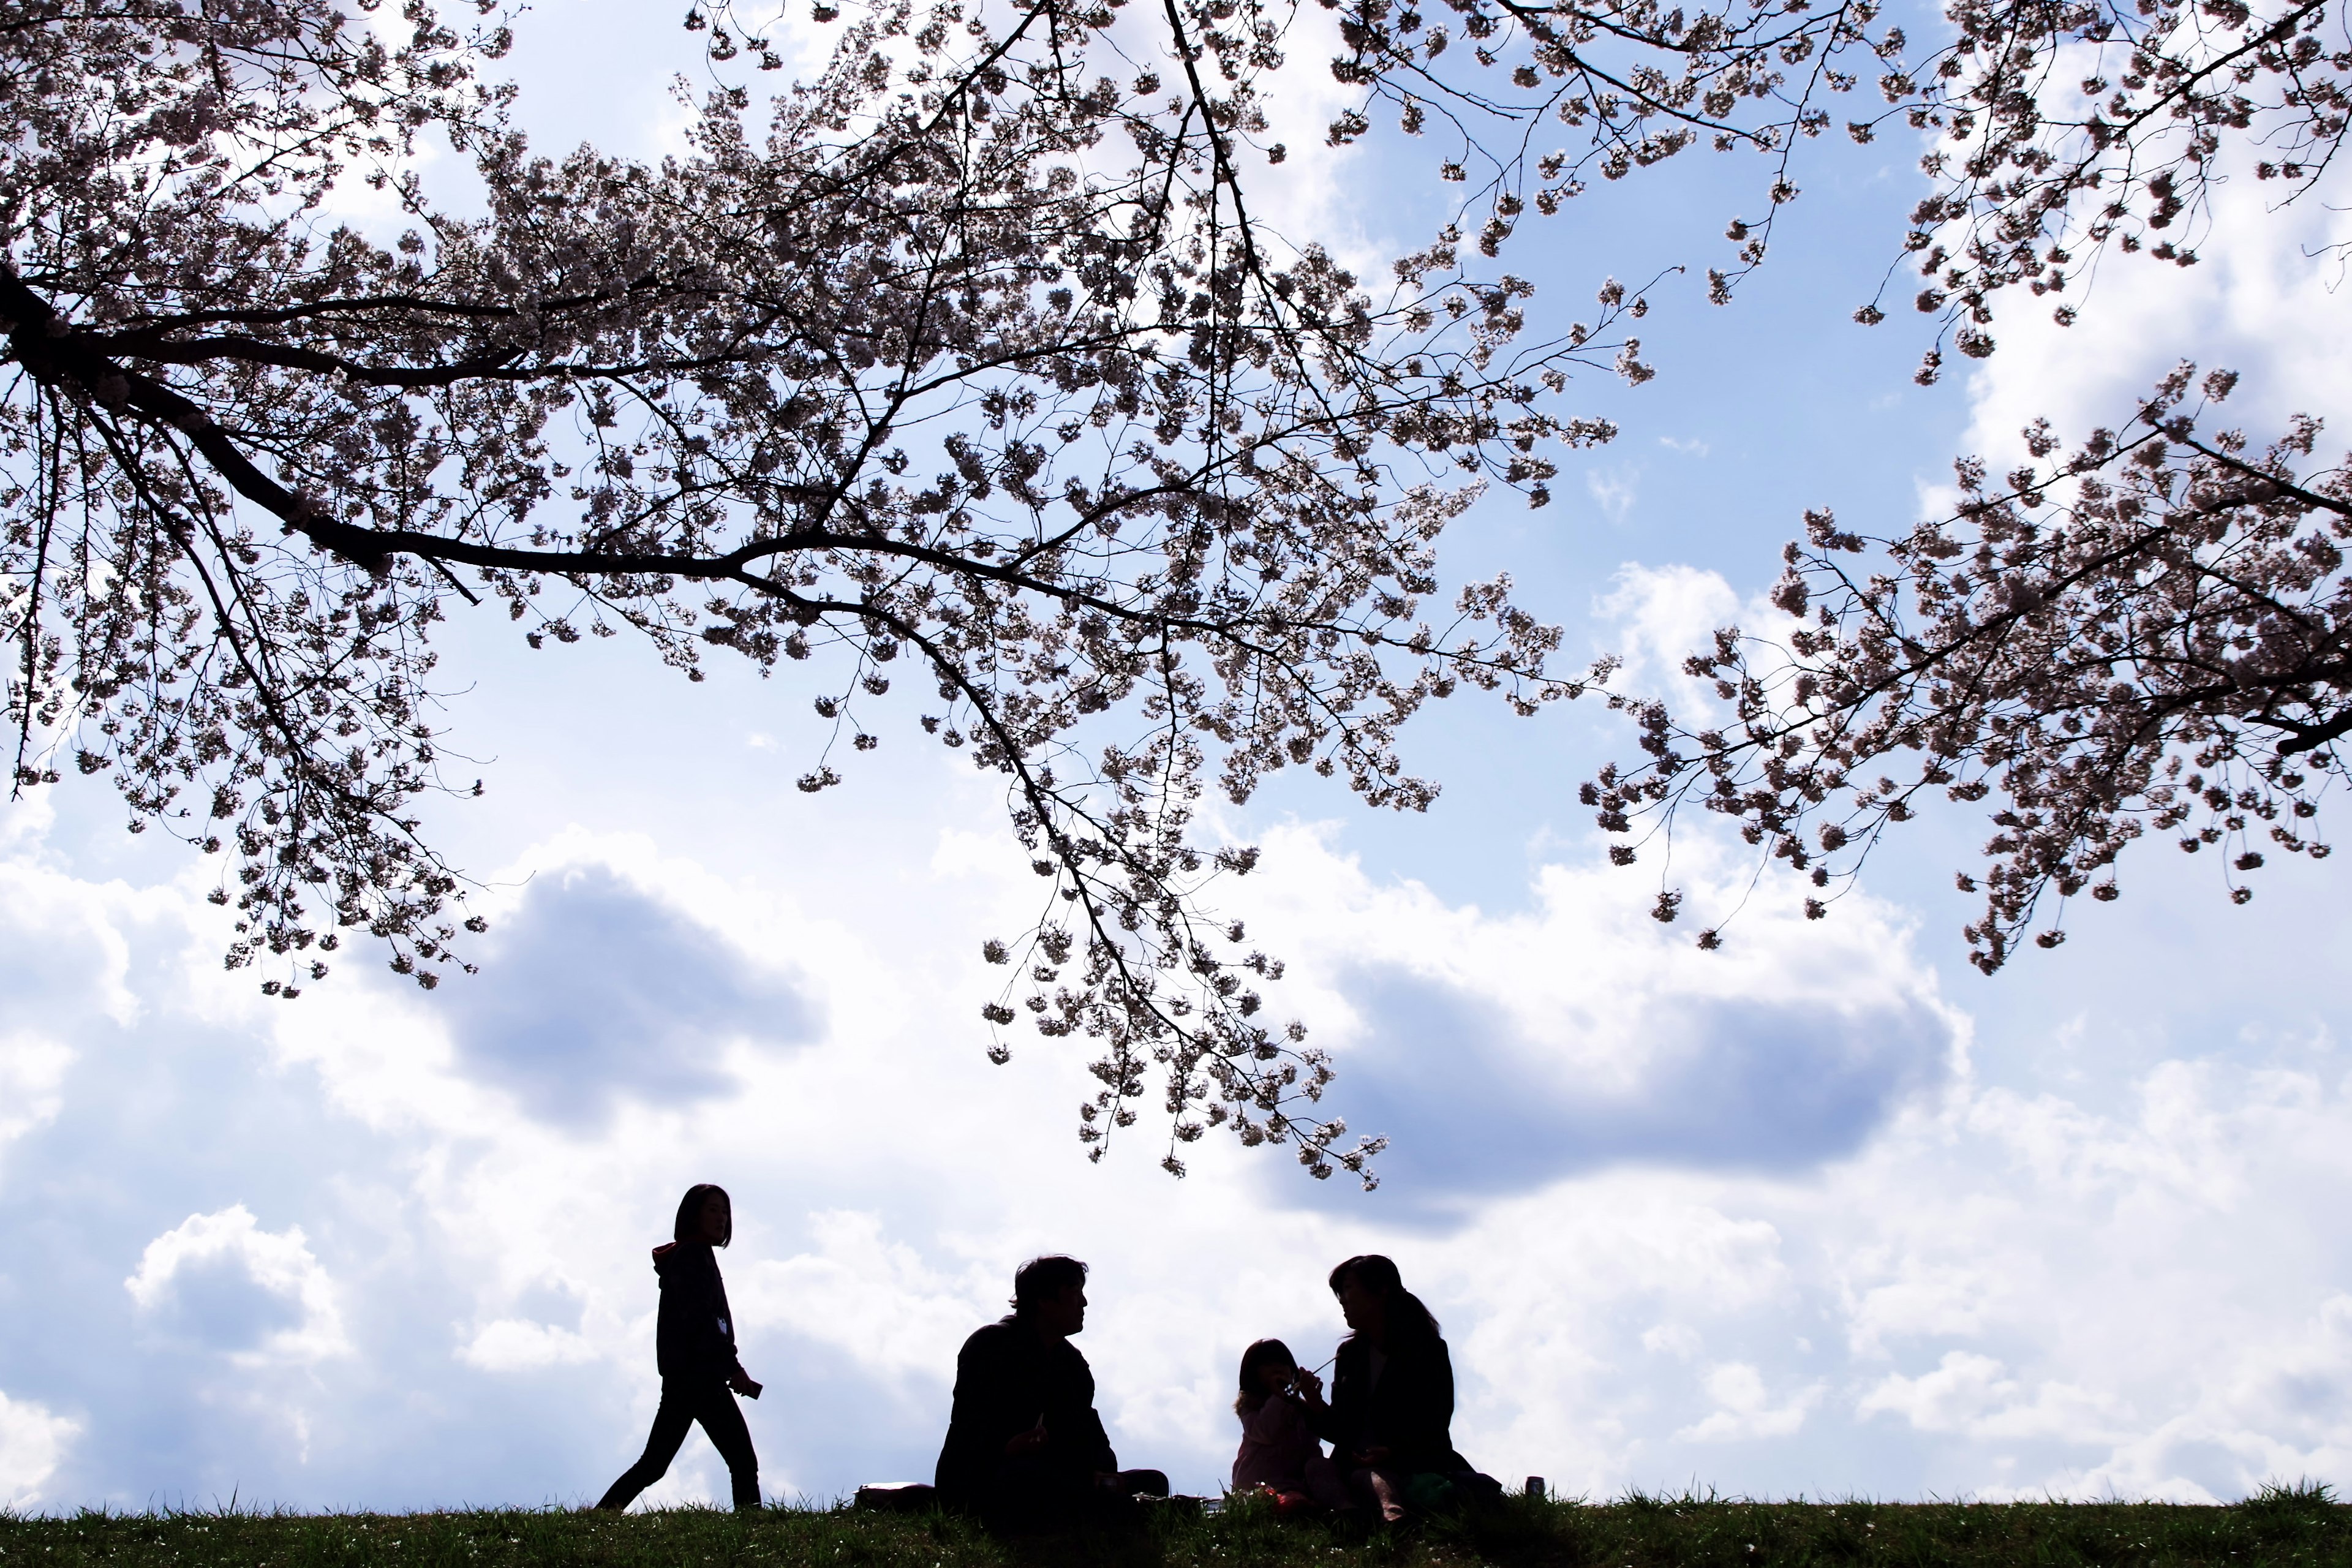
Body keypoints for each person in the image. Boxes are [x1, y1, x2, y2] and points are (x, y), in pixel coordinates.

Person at [933, 1255, 1169, 1529]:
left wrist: (1105, 1474)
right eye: (1074, 1294)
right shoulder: (990, 1345)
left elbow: (1092, 1438)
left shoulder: (1072, 1365)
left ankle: (1121, 1509)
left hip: (1063, 1478)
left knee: (1153, 1481)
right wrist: (1008, 1448)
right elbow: (969, 1429)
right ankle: (1137, 1514)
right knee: (1026, 1476)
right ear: (1044, 1301)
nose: (1084, 1302)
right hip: (986, 1479)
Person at [596, 1183, 765, 1512]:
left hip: (688, 1378)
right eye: (713, 1210)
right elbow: (700, 1320)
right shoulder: (692, 1257)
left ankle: (602, 1515)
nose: (721, 1218)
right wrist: (733, 1367)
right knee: (742, 1460)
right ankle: (752, 1528)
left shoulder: (696, 1255)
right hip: (699, 1378)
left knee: (654, 1464)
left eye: (725, 1211)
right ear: (694, 1215)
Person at [1299, 1254, 1495, 1523]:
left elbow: (1435, 1421)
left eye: (1347, 1289)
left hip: (1413, 1461)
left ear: (1381, 1291)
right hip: (1356, 1463)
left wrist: (1393, 1452)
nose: (1343, 1300)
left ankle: (1388, 1513)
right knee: (1317, 1467)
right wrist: (1314, 1403)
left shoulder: (1427, 1350)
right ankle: (1351, 1513)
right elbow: (1343, 1430)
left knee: (1372, 1476)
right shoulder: (1349, 1355)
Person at [1230, 1338, 1348, 1512]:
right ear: (1254, 1374)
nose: (1277, 1367)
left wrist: (1314, 1402)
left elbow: (1312, 1445)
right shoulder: (1250, 1408)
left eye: (1283, 1363)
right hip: (1258, 1485)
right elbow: (1265, 1432)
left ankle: (1342, 1508)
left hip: (1295, 1485)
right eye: (1268, 1364)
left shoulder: (1298, 1409)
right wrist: (1279, 1396)